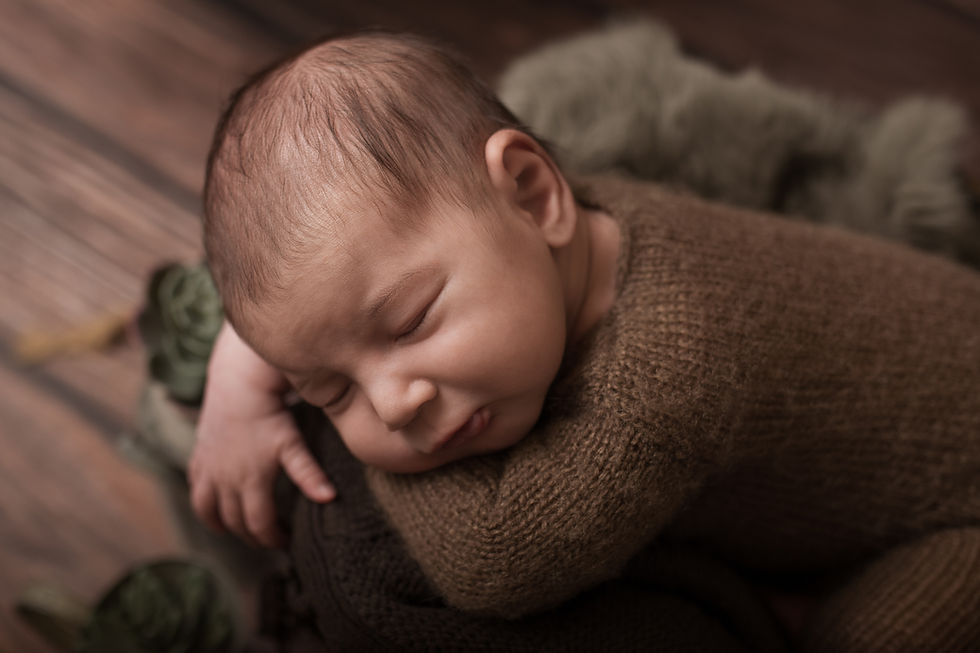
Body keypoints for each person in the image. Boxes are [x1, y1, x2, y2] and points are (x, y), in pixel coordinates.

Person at [192, 29, 980, 649]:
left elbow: (494, 563)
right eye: (332, 391)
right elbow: (339, 288)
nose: (394, 404)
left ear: (534, 195)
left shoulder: (672, 361)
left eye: (409, 322)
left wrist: (357, 459)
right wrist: (241, 377)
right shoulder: (529, 245)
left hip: (959, 508)